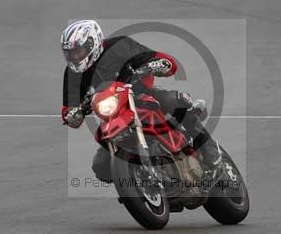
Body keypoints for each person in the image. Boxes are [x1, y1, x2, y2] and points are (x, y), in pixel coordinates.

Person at [60, 19, 220, 183]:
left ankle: (208, 148)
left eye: (78, 51)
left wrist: (159, 64)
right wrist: (72, 114)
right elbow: (69, 108)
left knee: (174, 101)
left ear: (92, 42)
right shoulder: (73, 74)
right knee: (101, 166)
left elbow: (154, 57)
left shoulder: (119, 46)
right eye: (70, 53)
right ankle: (135, 184)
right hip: (113, 115)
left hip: (140, 94)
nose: (75, 56)